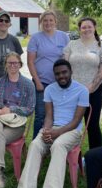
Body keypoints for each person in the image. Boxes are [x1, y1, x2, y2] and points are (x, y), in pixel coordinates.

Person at [6, 59, 89, 188]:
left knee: (58, 146)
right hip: (53, 128)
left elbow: (76, 120)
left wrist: (57, 133)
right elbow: (49, 116)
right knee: (36, 145)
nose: (61, 76)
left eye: (64, 72)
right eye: (58, 74)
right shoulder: (50, 89)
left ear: (70, 71)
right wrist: (46, 131)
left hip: (71, 131)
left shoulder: (82, 90)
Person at [0, 52, 35, 188]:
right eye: (10, 63)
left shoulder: (28, 84)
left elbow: (30, 109)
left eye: (15, 63)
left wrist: (11, 109)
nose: (13, 65)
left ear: (20, 65)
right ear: (5, 65)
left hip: (16, 124)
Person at [64, 17, 102, 149]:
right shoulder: (71, 45)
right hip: (72, 91)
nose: (86, 29)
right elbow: (64, 66)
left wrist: (90, 87)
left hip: (94, 91)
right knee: (71, 123)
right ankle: (69, 154)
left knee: (92, 124)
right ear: (79, 29)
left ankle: (96, 157)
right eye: (83, 27)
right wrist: (70, 87)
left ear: (94, 27)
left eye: (89, 26)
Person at [27, 10, 70, 139]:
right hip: (42, 83)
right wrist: (38, 82)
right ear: (41, 23)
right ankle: (37, 145)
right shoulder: (35, 38)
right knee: (40, 115)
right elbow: (30, 62)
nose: (48, 23)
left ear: (55, 22)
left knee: (58, 115)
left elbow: (67, 59)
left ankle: (52, 143)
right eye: (45, 20)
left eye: (51, 20)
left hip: (59, 83)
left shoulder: (64, 37)